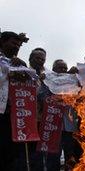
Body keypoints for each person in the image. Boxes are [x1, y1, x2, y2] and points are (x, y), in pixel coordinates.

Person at [0, 31, 30, 170]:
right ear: (3, 42)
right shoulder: (5, 62)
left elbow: (32, 85)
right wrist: (11, 68)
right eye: (13, 43)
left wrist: (23, 68)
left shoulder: (18, 63)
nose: (16, 47)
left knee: (9, 153)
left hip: (11, 115)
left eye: (19, 45)